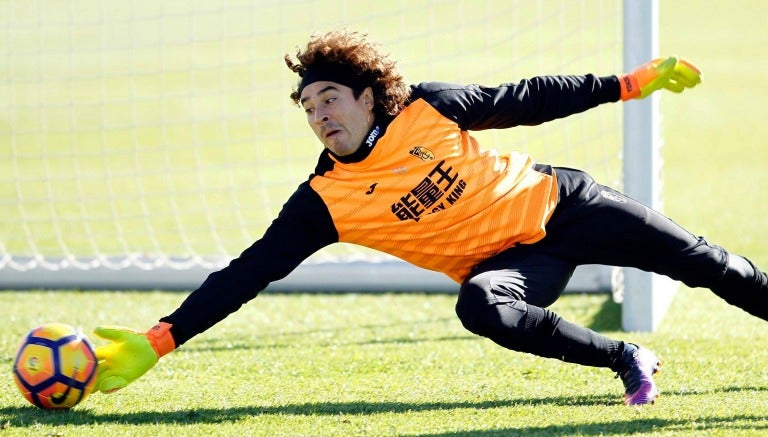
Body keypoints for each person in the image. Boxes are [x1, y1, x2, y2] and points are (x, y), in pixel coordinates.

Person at [93, 29, 767, 406]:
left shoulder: (428, 108)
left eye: (330, 98)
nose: (320, 115)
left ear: (366, 95)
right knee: (480, 306)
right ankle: (627, 356)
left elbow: (526, 97)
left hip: (566, 206)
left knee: (708, 263)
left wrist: (627, 85)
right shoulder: (322, 202)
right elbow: (248, 273)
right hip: (512, 268)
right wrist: (158, 340)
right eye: (307, 107)